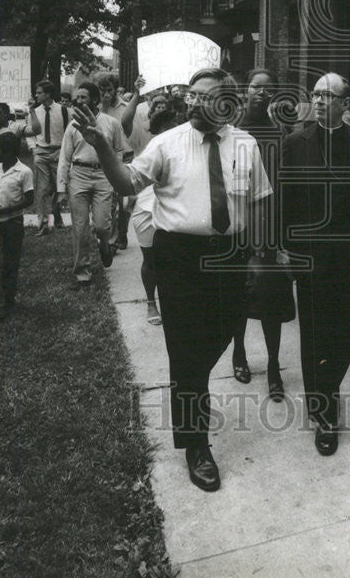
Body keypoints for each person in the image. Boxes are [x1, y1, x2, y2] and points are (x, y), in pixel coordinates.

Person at [71, 68, 271, 492]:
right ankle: (196, 445)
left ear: (228, 104)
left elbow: (258, 202)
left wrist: (258, 254)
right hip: (179, 257)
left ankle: (191, 385)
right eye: (192, 95)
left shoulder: (246, 145)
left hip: (230, 257)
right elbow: (126, 182)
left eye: (206, 96)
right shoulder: (167, 143)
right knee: (185, 353)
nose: (194, 102)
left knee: (221, 333)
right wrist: (103, 146)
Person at [279, 73, 350, 456]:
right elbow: (284, 201)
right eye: (316, 94)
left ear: (346, 104)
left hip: (349, 250)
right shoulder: (294, 143)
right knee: (312, 329)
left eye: (328, 95)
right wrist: (284, 248)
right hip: (308, 252)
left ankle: (324, 385)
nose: (320, 100)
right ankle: (324, 410)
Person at [230, 68, 294, 401]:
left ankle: (272, 366)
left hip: (270, 227)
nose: (262, 94)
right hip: (238, 227)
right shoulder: (232, 132)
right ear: (246, 89)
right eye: (257, 88)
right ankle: (239, 352)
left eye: (269, 91)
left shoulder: (280, 133)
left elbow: (283, 185)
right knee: (238, 296)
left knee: (272, 299)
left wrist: (281, 235)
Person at [57, 81, 126, 286]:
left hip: (103, 175)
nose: (78, 101)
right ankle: (82, 272)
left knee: (102, 226)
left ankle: (105, 245)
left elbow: (119, 153)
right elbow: (64, 158)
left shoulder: (111, 123)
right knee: (80, 227)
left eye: (83, 97)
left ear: (95, 100)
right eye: (77, 97)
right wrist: (61, 188)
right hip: (78, 175)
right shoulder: (73, 125)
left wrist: (118, 178)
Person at [129, 106, 177, 325]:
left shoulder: (186, 145)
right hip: (147, 207)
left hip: (173, 208)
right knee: (150, 260)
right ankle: (151, 302)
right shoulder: (148, 143)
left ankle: (173, 303)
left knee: (174, 259)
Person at [0, 131, 34, 320]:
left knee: (11, 264)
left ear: (10, 152)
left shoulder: (24, 172)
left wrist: (6, 211)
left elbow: (28, 200)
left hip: (13, 223)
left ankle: (9, 299)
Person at [25, 79, 69, 235]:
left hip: (58, 152)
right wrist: (33, 149)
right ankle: (44, 223)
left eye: (39, 93)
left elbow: (68, 133)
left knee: (59, 188)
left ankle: (55, 217)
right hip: (41, 152)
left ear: (48, 94)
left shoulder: (63, 110)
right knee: (42, 190)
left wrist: (65, 152)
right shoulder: (34, 112)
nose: (36, 96)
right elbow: (29, 133)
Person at [97, 72, 132, 251]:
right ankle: (112, 240)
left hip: (125, 156)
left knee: (123, 201)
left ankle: (123, 234)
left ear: (116, 89)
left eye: (109, 90)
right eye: (102, 90)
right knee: (109, 200)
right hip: (106, 158)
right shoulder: (98, 109)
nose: (106, 94)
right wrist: (103, 107)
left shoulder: (125, 107)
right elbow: (98, 129)